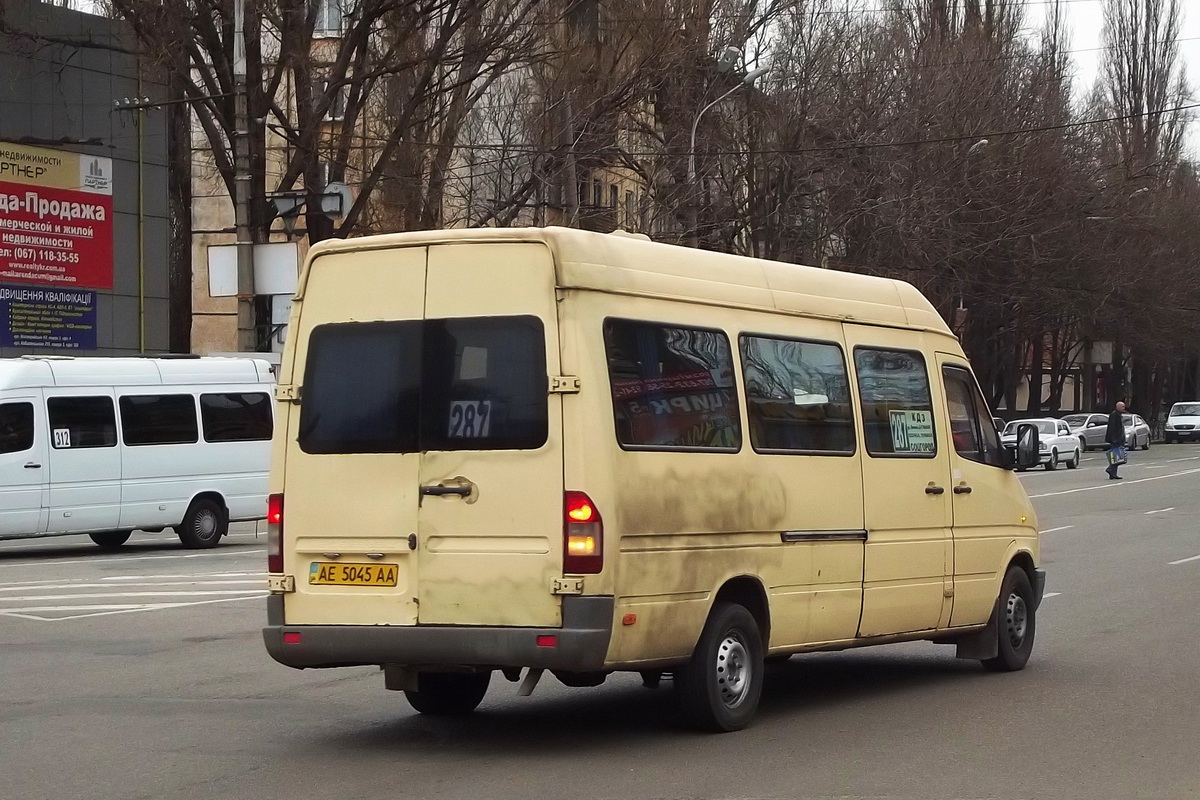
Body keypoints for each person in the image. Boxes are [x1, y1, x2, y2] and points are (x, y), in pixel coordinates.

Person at [1104, 401, 1127, 480]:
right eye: (1122, 406)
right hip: (1115, 440)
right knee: (1116, 456)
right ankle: (1110, 469)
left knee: (1116, 456)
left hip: (1118, 439)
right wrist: (1114, 439)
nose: (1124, 408)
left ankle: (1113, 473)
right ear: (1118, 407)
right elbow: (1112, 428)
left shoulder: (1119, 415)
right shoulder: (1114, 415)